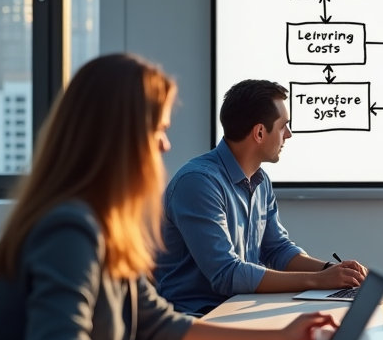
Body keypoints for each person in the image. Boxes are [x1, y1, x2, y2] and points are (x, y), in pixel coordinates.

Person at [0, 55, 337, 340]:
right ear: (119, 137)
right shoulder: (69, 229)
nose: (165, 143)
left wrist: (280, 338)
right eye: (157, 129)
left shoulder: (104, 223)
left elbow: (156, 326)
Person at [154, 80, 367, 315]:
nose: (289, 134)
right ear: (259, 132)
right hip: (198, 318)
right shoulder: (198, 182)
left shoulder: (260, 180)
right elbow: (227, 275)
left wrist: (333, 271)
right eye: (283, 126)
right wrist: (319, 280)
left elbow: (277, 250)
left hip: (241, 310)